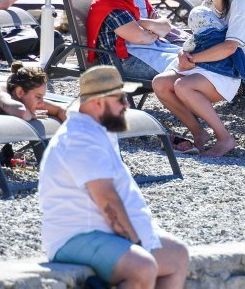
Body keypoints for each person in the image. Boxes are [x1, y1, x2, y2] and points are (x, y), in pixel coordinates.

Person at [39, 65, 189, 288]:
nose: (126, 105)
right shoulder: (80, 139)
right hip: (77, 235)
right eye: (120, 99)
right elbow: (106, 198)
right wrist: (135, 242)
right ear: (98, 102)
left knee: (177, 256)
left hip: (100, 231)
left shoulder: (96, 131)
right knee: (142, 267)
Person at [153, 0, 245, 157]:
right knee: (160, 83)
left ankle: (225, 138)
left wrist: (193, 59)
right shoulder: (209, 5)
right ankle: (199, 134)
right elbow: (198, 38)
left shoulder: (239, 4)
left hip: (242, 74)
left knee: (183, 85)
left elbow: (229, 48)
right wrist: (184, 53)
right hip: (213, 66)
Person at [87, 0, 181, 80]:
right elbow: (141, 38)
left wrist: (143, 24)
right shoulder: (107, 2)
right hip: (123, 63)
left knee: (196, 56)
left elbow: (166, 27)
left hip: (149, 51)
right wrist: (155, 29)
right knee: (188, 65)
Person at [0, 62, 67, 122]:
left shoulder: (21, 94)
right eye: (38, 97)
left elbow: (60, 109)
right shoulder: (0, 94)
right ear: (20, 92)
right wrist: (31, 114)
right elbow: (21, 112)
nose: (42, 103)